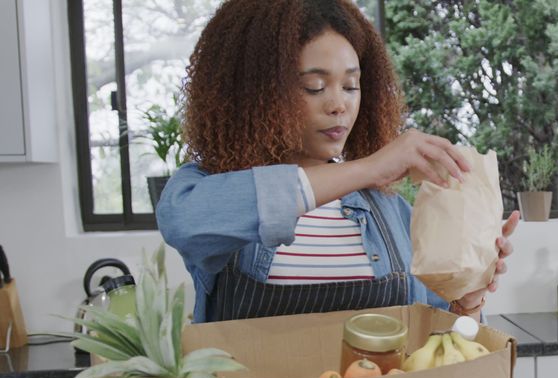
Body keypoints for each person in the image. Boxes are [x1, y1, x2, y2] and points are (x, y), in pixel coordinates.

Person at [157, 0, 519, 323]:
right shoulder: (212, 189)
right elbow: (182, 221)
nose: (338, 105)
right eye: (314, 86)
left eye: (350, 86)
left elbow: (440, 346)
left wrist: (468, 302)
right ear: (255, 94)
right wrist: (369, 168)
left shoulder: (390, 212)